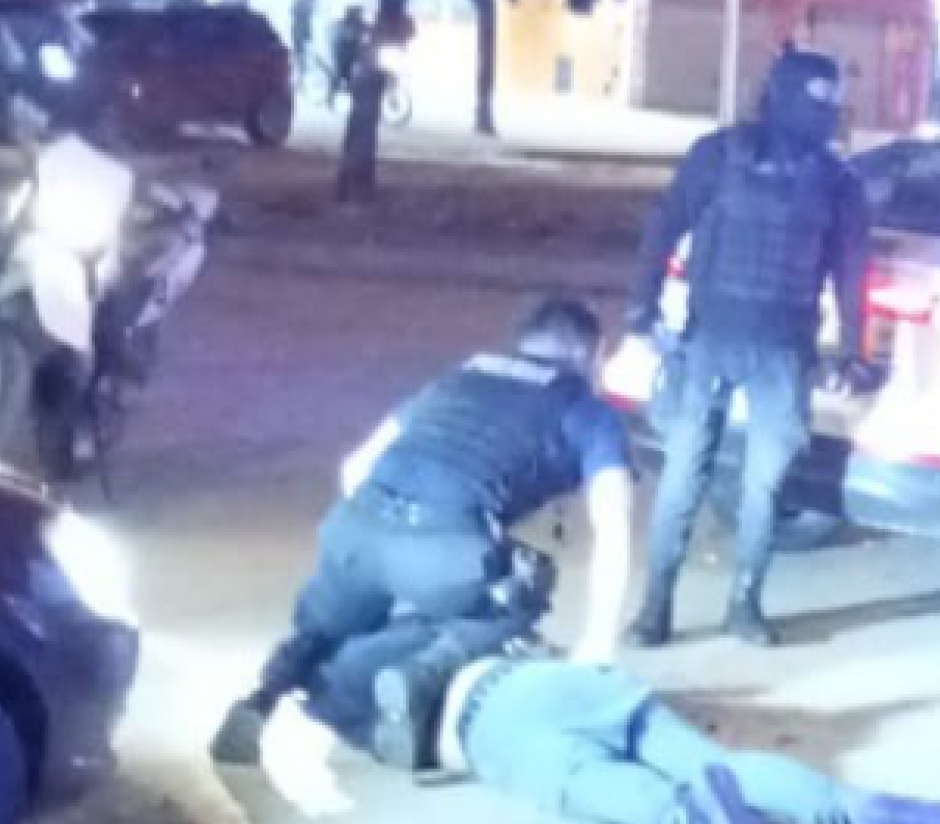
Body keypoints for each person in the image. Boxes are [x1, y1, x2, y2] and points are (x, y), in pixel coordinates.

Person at [213, 297, 636, 766]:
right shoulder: (586, 410)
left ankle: (263, 698)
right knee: (520, 589)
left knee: (326, 626)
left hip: (355, 530)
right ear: (593, 355)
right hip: (443, 545)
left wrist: (392, 551)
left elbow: (356, 467)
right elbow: (612, 526)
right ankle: (418, 680)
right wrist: (598, 644)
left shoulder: (461, 377)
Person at [304, 619, 940, 824]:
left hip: (498, 735)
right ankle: (856, 808)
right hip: (550, 682)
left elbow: (393, 750)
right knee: (707, 762)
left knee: (617, 792)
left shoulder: (344, 692)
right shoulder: (415, 625)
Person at [624, 49, 871, 650]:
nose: (824, 116)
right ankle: (658, 609)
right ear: (785, 97)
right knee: (690, 477)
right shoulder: (722, 156)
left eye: (829, 105)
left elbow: (849, 272)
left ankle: (739, 606)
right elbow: (663, 228)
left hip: (777, 352)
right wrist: (643, 306)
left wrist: (851, 348)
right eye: (816, 103)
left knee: (756, 485)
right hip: (716, 342)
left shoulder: (834, 182)